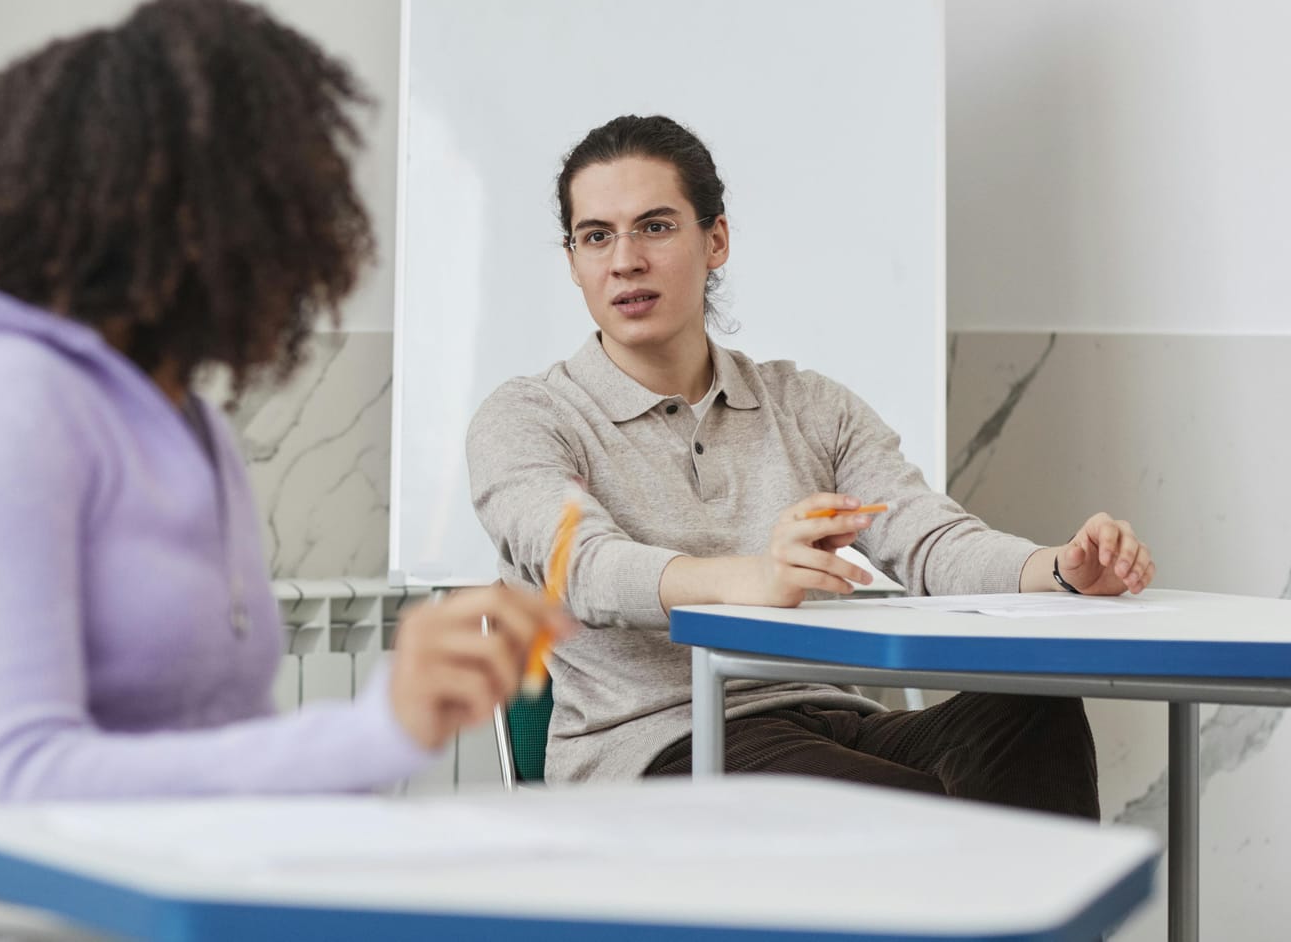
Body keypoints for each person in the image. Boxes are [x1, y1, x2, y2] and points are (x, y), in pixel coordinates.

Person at [0, 0, 569, 940]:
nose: (305, 249)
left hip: (147, 887)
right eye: (271, 205)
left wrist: (405, 724)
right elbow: (9, 787)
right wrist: (371, 728)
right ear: (168, 216)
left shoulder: (187, 424)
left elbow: (215, 757)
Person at [469, 113, 1154, 813]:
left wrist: (1060, 570)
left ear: (716, 240)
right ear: (574, 261)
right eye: (596, 236)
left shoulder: (808, 406)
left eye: (655, 226)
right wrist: (753, 577)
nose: (624, 260)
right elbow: (581, 567)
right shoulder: (528, 418)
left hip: (831, 721)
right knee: (917, 817)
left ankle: (1036, 923)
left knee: (1035, 717)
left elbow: (930, 540)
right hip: (661, 751)